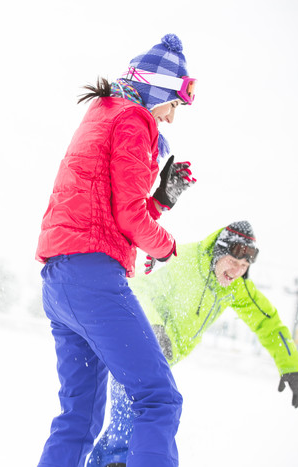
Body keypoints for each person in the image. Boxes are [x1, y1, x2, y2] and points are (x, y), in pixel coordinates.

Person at [35, 34, 197, 467]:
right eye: (174, 105)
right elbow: (128, 219)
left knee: (78, 418)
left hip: (59, 280)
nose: (171, 117)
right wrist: (166, 248)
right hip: (92, 278)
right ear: (159, 90)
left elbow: (111, 210)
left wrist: (160, 200)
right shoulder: (134, 119)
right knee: (158, 399)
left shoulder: (104, 112)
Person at [87, 221, 298, 467]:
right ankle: (118, 461)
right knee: (146, 410)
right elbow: (140, 289)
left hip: (158, 356)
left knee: (142, 416)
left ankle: (111, 461)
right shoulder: (184, 260)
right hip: (135, 340)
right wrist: (154, 327)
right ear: (220, 251)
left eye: (244, 266)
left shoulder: (235, 287)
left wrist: (290, 365)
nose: (237, 271)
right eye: (233, 261)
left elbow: (268, 323)